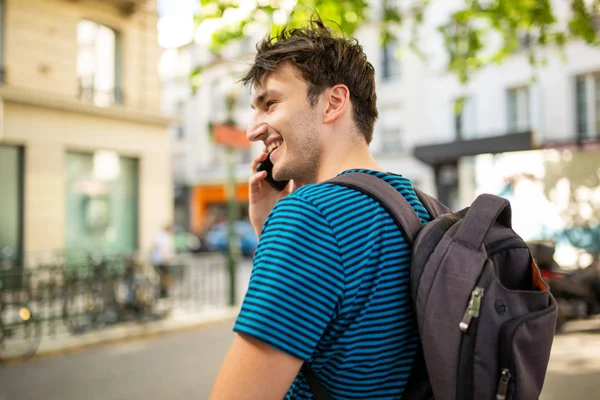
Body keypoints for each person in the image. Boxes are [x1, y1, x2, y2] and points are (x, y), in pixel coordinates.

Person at [210, 15, 431, 400]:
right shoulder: (418, 206)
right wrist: (269, 234)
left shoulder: (309, 219)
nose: (253, 129)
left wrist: (284, 225)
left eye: (270, 103)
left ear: (333, 102)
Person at [151, 223, 176, 298]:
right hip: (162, 261)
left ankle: (162, 293)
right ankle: (163, 294)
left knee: (162, 278)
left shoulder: (159, 236)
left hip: (158, 261)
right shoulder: (164, 237)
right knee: (164, 278)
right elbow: (165, 250)